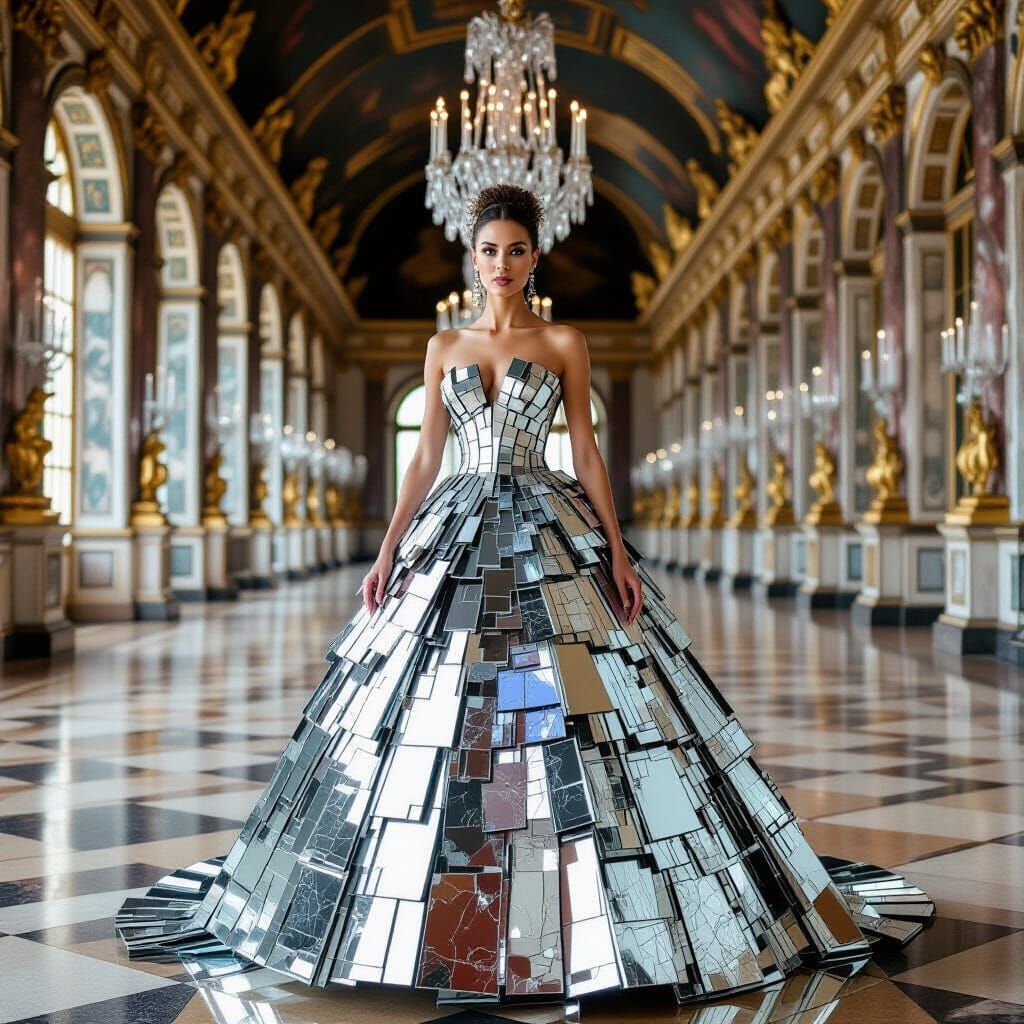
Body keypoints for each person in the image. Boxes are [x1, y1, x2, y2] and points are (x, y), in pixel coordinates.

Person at [116, 183, 931, 1008]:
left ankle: (560, 890)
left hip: (549, 524)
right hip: (455, 530)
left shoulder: (565, 342)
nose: (501, 264)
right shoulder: (443, 348)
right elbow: (426, 456)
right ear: (471, 257)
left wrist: (615, 549)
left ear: (534, 257)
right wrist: (391, 544)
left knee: (563, 704)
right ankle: (442, 891)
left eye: (515, 250)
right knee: (441, 703)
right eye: (488, 250)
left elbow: (585, 446)